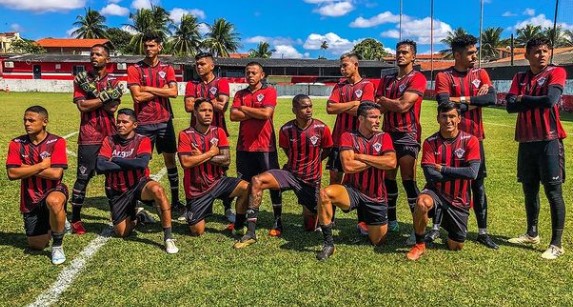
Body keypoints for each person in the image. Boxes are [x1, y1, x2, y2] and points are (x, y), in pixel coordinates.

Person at [233, 94, 333, 248]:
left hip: (310, 180)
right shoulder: (286, 129)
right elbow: (287, 150)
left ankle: (314, 216)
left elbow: (327, 149)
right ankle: (250, 233)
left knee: (310, 226)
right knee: (257, 180)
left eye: (310, 106)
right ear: (294, 109)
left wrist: (313, 163)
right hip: (290, 174)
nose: (309, 110)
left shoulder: (321, 128)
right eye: (304, 107)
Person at [432, 34, 498, 249]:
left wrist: (459, 100)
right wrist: (472, 101)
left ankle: (482, 232)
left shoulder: (481, 73)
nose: (474, 56)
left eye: (474, 52)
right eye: (470, 53)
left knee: (478, 186)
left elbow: (491, 99)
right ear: (457, 55)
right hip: (450, 140)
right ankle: (436, 228)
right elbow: (444, 105)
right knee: (444, 183)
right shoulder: (444, 76)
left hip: (474, 140)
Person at [505, 37, 567, 260]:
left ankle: (556, 244)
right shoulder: (519, 77)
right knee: (529, 189)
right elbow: (510, 106)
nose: (541, 55)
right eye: (537, 51)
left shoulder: (555, 73)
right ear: (527, 55)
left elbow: (550, 100)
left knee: (553, 192)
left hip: (549, 140)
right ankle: (532, 234)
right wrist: (525, 100)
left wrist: (522, 98)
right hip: (526, 141)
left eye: (545, 51)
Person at [316, 102, 396, 260]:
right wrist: (378, 160)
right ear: (361, 118)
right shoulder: (347, 136)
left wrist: (360, 156)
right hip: (353, 190)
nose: (378, 121)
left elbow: (391, 163)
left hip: (376, 196)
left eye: (379, 117)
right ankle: (329, 243)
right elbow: (348, 166)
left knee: (377, 241)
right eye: (373, 117)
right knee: (326, 194)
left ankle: (365, 224)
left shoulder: (384, 136)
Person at [96, 108, 178, 254]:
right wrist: (129, 162)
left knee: (158, 190)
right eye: (118, 122)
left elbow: (141, 164)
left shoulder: (142, 140)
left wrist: (115, 159)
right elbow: (100, 166)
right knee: (122, 233)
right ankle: (139, 216)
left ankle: (168, 238)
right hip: (117, 188)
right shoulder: (109, 140)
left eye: (125, 122)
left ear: (134, 125)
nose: (120, 125)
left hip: (138, 183)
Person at [407, 102, 481, 261]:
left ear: (459, 118)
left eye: (452, 116)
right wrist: (459, 173)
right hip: (436, 193)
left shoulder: (471, 140)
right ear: (438, 119)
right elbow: (430, 176)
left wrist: (443, 169)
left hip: (459, 199)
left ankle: (445, 222)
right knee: (422, 203)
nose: (448, 120)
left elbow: (473, 173)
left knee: (456, 246)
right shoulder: (430, 142)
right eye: (444, 116)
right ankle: (419, 244)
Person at [376, 40, 427, 243]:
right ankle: (393, 220)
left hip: (408, 134)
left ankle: (417, 228)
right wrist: (391, 104)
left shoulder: (418, 78)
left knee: (408, 181)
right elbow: (377, 107)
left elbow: (404, 106)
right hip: (387, 134)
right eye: (398, 52)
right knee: (388, 179)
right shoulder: (387, 79)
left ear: (413, 56)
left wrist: (388, 102)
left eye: (405, 52)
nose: (400, 55)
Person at [126, 32, 182, 214]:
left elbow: (174, 92)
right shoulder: (135, 68)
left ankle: (175, 201)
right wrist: (162, 90)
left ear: (160, 47)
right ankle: (142, 200)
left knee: (170, 160)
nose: (149, 49)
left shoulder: (168, 68)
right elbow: (137, 96)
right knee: (142, 162)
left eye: (152, 45)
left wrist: (148, 88)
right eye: (146, 45)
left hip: (165, 121)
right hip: (143, 122)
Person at [69, 43, 122, 234]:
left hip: (110, 136)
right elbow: (82, 107)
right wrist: (104, 97)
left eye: (98, 54)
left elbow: (112, 108)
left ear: (107, 59)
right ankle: (75, 218)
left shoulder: (114, 81)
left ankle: (116, 213)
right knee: (83, 177)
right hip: (88, 135)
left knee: (112, 177)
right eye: (92, 54)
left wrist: (92, 94)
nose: (94, 57)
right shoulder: (81, 79)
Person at [6, 106, 69, 264]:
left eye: (31, 120)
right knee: (37, 245)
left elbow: (56, 174)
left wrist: (25, 168)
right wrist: (41, 166)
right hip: (30, 197)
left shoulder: (57, 141)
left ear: (45, 122)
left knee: (54, 202)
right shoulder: (16, 143)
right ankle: (57, 220)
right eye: (25, 120)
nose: (27, 123)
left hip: (53, 190)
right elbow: (12, 174)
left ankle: (57, 245)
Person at [178, 99, 249, 236]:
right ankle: (194, 211)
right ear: (195, 112)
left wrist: (202, 157)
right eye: (203, 110)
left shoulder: (219, 132)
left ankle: (239, 224)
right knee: (197, 232)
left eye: (210, 111)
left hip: (218, 182)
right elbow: (186, 163)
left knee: (247, 187)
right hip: (196, 189)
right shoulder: (185, 134)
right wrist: (211, 153)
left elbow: (226, 160)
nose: (208, 114)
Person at [230, 61, 283, 236]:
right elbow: (233, 115)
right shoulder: (240, 93)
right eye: (247, 73)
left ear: (262, 75)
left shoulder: (269, 91)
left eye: (254, 73)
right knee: (244, 184)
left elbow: (266, 114)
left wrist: (244, 109)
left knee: (273, 183)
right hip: (244, 147)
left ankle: (277, 220)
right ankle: (240, 220)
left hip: (266, 146)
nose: (250, 76)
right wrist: (255, 111)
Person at [325, 52, 376, 235]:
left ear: (356, 65)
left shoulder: (367, 85)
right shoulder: (340, 85)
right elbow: (330, 108)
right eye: (341, 66)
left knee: (360, 181)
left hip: (359, 142)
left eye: (345, 65)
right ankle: (329, 219)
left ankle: (362, 222)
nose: (342, 69)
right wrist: (353, 103)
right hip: (339, 140)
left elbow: (364, 112)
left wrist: (346, 106)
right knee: (334, 178)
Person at [184, 52, 235, 223]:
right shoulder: (192, 83)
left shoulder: (222, 82)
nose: (199, 67)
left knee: (222, 166)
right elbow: (188, 106)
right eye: (197, 64)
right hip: (195, 132)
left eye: (202, 64)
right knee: (193, 168)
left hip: (218, 131)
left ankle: (228, 207)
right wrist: (210, 101)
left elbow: (221, 106)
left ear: (212, 66)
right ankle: (191, 205)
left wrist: (200, 101)